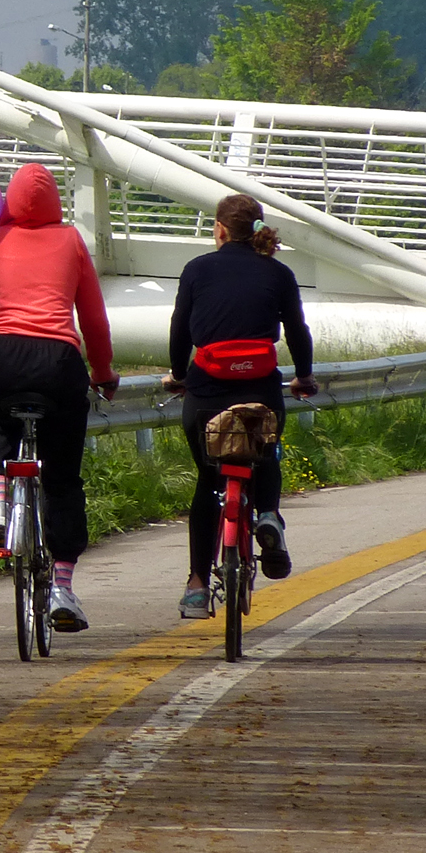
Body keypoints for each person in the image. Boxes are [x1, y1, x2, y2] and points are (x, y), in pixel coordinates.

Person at [0, 163, 119, 632]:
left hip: (2, 357)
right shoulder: (70, 240)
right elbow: (94, 319)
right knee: (63, 478)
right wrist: (103, 373)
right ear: (56, 203)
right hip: (59, 364)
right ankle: (63, 587)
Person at [162, 192, 317, 620]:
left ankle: (196, 586)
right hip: (260, 389)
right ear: (256, 231)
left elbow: (180, 327)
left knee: (207, 481)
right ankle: (267, 514)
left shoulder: (196, 269)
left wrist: (178, 372)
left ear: (220, 229)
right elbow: (297, 329)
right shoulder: (278, 272)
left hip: (207, 391)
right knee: (265, 448)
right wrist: (303, 375)